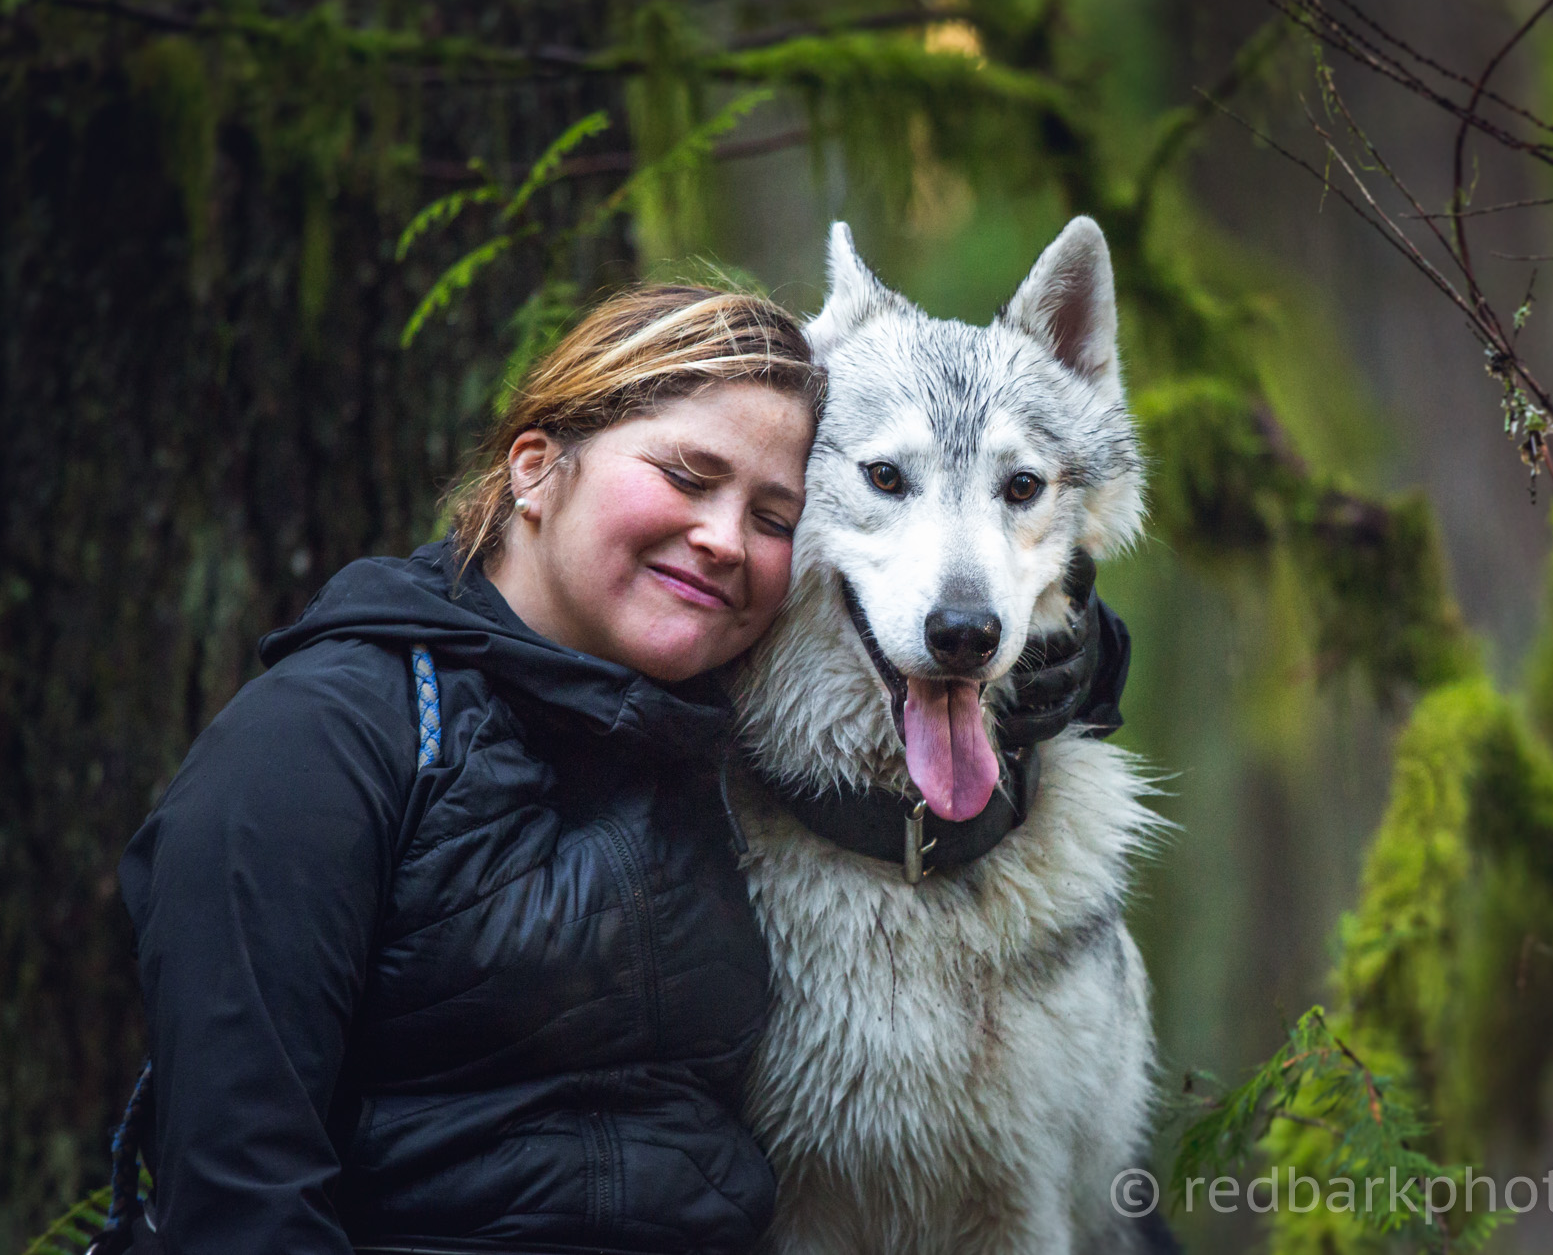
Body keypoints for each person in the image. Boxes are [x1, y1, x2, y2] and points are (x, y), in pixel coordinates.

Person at [114, 283, 1130, 1255]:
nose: (724, 539)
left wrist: (1074, 654)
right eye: (686, 478)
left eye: (771, 516)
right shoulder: (317, 743)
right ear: (534, 467)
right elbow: (240, 1198)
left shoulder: (703, 723)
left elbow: (911, 622)